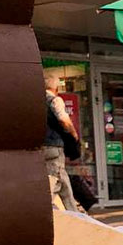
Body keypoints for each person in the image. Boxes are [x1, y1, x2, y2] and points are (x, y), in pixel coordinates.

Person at [44, 74, 80, 211]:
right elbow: (63, 120)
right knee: (55, 179)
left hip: (42, 146)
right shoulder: (55, 100)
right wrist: (74, 134)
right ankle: (46, 210)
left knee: (63, 182)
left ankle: (74, 212)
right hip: (55, 146)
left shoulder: (36, 101)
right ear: (56, 88)